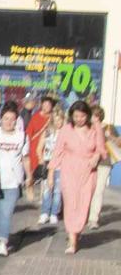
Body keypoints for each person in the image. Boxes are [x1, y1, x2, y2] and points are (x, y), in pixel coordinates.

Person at [51, 99, 104, 253]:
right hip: (69, 169)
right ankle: (72, 241)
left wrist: (96, 156)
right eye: (76, 116)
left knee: (84, 203)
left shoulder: (95, 129)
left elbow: (101, 149)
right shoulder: (66, 129)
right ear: (71, 116)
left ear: (87, 115)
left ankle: (77, 230)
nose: (79, 119)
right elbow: (58, 151)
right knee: (70, 202)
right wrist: (51, 172)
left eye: (82, 116)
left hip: (88, 171)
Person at [0, 100, 27, 255]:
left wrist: (28, 177)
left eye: (12, 119)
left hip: (13, 181)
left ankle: (2, 242)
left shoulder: (22, 136)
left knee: (6, 212)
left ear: (17, 120)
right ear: (1, 119)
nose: (9, 122)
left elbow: (26, 157)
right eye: (6, 118)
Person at [36, 96, 63, 223]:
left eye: (60, 120)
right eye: (56, 120)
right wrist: (41, 158)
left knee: (58, 191)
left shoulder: (65, 133)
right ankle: (45, 212)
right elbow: (39, 148)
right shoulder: (47, 132)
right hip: (48, 164)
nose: (58, 122)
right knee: (47, 189)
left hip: (61, 165)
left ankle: (54, 213)